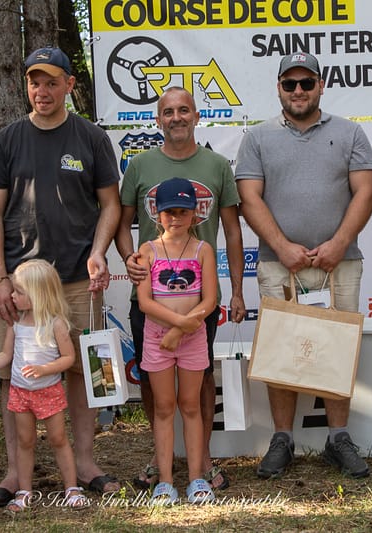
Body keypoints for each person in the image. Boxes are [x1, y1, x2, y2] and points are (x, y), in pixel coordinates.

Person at [0, 46, 122, 506]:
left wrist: (100, 252)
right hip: (20, 287)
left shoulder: (92, 139)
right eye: (34, 82)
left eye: (51, 82)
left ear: (69, 86)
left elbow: (111, 205)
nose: (42, 91)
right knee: (13, 374)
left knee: (78, 371)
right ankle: (14, 473)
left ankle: (84, 464)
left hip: (77, 278)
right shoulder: (6, 140)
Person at [235, 51, 372, 479]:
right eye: (290, 83)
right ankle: (282, 439)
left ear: (320, 86)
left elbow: (366, 192)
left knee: (337, 348)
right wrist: (281, 246)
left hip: (339, 263)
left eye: (306, 83)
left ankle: (338, 438)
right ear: (279, 88)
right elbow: (249, 198)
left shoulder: (351, 133)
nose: (299, 91)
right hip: (280, 264)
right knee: (281, 350)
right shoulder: (257, 138)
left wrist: (338, 242)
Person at [114, 86, 245, 491]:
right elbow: (121, 223)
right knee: (155, 381)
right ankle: (161, 461)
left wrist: (237, 290)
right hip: (151, 302)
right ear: (158, 119)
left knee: (200, 378)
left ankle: (201, 461)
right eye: (168, 111)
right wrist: (129, 261)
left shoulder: (218, 165)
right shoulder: (139, 165)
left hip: (200, 305)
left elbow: (232, 230)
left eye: (183, 110)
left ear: (196, 115)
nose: (176, 117)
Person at [0, 260, 89, 510]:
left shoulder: (55, 323)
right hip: (20, 393)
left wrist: (44, 370)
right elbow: (6, 355)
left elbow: (68, 358)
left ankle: (71, 487)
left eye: (19, 292)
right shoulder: (16, 323)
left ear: (38, 294)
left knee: (58, 439)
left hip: (48, 392)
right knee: (25, 441)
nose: (12, 296)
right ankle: (25, 490)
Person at [135, 177, 217, 504]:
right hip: (156, 338)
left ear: (195, 214)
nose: (176, 218)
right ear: (158, 214)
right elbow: (144, 302)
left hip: (190, 337)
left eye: (183, 211)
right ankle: (165, 481)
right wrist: (175, 324)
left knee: (191, 406)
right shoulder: (147, 251)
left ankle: (197, 479)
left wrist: (180, 329)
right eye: (170, 212)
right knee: (165, 408)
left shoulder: (203, 250)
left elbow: (209, 300)